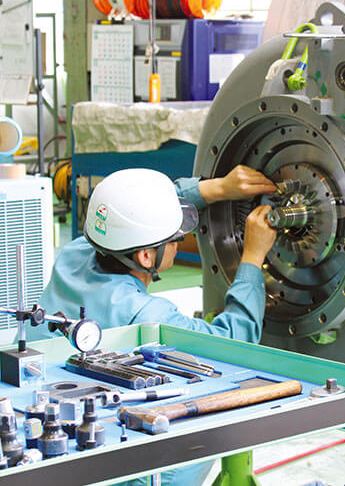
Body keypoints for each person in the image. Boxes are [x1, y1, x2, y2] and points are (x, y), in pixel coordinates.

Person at [29, 165, 278, 485]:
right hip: (108, 453)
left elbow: (128, 210)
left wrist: (219, 188)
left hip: (47, 428)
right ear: (147, 257)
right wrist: (253, 257)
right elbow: (233, 340)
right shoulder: (147, 315)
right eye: (176, 239)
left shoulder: (76, 252)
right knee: (206, 432)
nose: (180, 242)